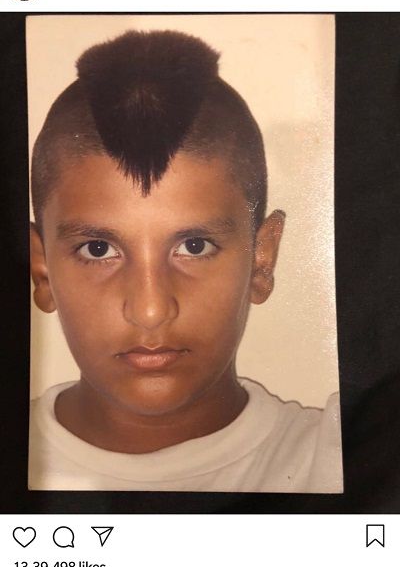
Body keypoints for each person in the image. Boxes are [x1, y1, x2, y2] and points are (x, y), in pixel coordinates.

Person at [28, 29, 342, 492]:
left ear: (262, 259)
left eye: (194, 246)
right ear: (42, 270)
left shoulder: (340, 463)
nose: (151, 310)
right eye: (99, 250)